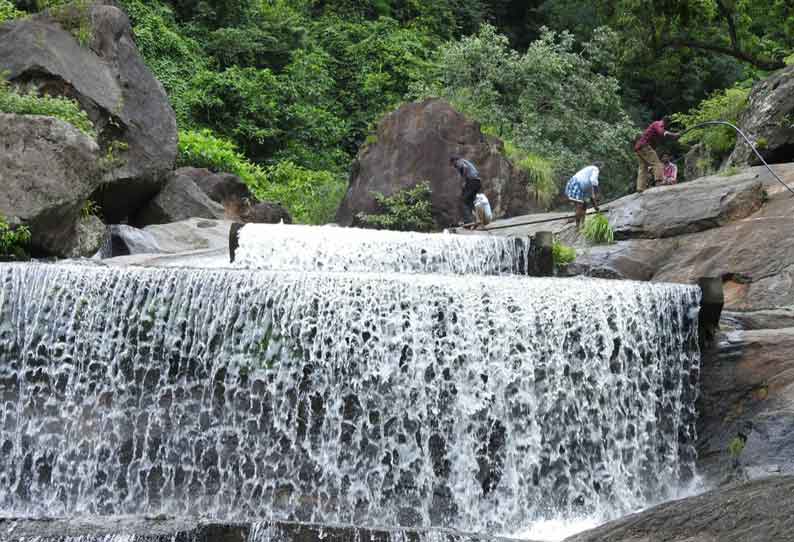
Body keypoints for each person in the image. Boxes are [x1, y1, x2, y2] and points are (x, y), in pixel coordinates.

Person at [634, 117, 679, 192]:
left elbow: (664, 135)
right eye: (667, 125)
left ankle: (640, 187)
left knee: (643, 167)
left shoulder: (657, 126)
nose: (667, 127)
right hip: (644, 146)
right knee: (657, 163)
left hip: (638, 147)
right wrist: (674, 134)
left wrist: (673, 136)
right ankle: (659, 181)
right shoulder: (658, 124)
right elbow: (662, 132)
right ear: (665, 122)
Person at [565, 163, 601, 229]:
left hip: (580, 186)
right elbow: (593, 181)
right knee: (580, 205)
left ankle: (583, 225)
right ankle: (577, 227)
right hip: (576, 184)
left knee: (585, 204)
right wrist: (598, 191)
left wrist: (597, 210)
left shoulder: (588, 183)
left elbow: (592, 198)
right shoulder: (595, 168)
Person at [450, 155, 482, 224]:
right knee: (469, 202)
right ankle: (475, 220)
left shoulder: (460, 161)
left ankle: (469, 221)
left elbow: (465, 167)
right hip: (477, 182)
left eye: (453, 164)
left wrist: (464, 181)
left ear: (454, 161)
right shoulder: (465, 161)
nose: (454, 166)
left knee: (463, 201)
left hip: (472, 182)